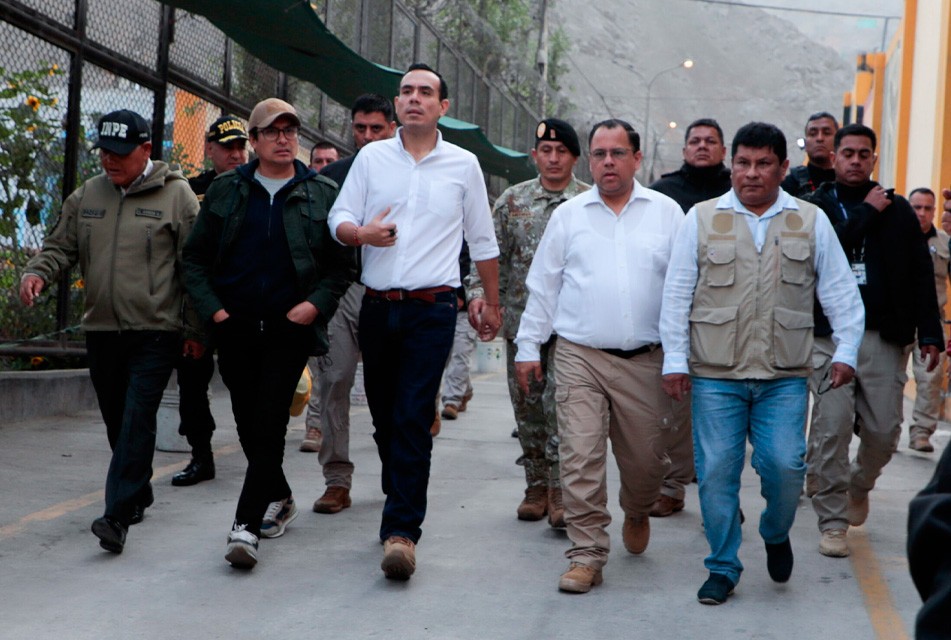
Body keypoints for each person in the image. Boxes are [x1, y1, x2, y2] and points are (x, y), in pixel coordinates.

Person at [660, 122, 864, 605]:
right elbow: (676, 294)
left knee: (786, 467)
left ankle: (775, 531)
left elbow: (841, 293)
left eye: (763, 164)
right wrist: (675, 359)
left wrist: (846, 351)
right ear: (732, 165)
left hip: (783, 376)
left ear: (782, 167)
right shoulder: (701, 219)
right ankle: (723, 566)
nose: (751, 173)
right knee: (716, 473)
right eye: (743, 163)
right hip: (715, 374)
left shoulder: (810, 220)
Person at [328, 63, 501, 581]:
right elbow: (338, 219)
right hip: (378, 306)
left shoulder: (464, 165)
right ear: (397, 102)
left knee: (411, 416)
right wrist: (362, 234)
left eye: (425, 92)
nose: (414, 99)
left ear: (442, 107)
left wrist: (491, 304)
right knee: (384, 417)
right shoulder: (371, 158)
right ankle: (398, 489)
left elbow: (483, 242)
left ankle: (402, 532)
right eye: (406, 91)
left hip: (434, 308)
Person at [515, 118, 688, 593]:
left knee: (647, 464)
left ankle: (638, 508)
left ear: (637, 159)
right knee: (579, 457)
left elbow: (681, 291)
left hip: (647, 361)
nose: (608, 162)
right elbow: (543, 287)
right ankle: (587, 554)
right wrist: (528, 347)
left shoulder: (668, 214)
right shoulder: (568, 216)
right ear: (589, 161)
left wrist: (679, 358)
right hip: (580, 356)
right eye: (599, 154)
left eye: (617, 153)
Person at [183, 98, 354, 569]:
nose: (283, 139)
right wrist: (217, 313)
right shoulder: (226, 191)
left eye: (290, 131)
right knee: (248, 424)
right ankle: (279, 494)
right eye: (272, 132)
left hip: (288, 330)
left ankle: (244, 526)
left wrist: (313, 306)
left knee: (271, 422)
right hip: (234, 327)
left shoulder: (320, 193)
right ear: (254, 141)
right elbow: (195, 259)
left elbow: (342, 267)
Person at [20, 109, 200, 553]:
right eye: (104, 151)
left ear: (146, 150)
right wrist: (37, 272)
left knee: (137, 419)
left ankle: (116, 517)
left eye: (120, 152)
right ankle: (138, 490)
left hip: (155, 331)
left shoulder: (177, 197)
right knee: (118, 421)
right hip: (102, 330)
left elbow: (195, 268)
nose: (109, 160)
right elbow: (59, 247)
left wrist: (196, 330)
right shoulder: (88, 195)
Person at [804, 123, 943, 559]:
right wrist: (866, 211)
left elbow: (921, 272)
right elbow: (821, 252)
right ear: (834, 157)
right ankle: (832, 522)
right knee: (831, 429)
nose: (855, 161)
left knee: (884, 433)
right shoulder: (816, 206)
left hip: (883, 336)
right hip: (828, 337)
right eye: (848, 153)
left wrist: (931, 332)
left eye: (864, 154)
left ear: (873, 159)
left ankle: (858, 485)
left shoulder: (898, 210)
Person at [468, 118, 589, 528]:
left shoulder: (587, 203)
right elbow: (490, 256)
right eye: (546, 151)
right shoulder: (512, 201)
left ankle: (559, 489)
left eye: (562, 151)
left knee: (563, 410)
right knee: (528, 409)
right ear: (535, 156)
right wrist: (481, 298)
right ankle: (535, 486)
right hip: (523, 327)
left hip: (572, 329)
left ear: (575, 158)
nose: (553, 158)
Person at [304, 94, 397, 518]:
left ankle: (396, 470)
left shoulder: (408, 175)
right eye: (360, 128)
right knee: (335, 379)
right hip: (340, 291)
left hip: (389, 293)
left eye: (377, 128)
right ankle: (336, 480)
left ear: (392, 128)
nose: (368, 136)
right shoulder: (332, 177)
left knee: (387, 387)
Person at [648, 117, 732, 518]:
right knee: (675, 406)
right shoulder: (663, 195)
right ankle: (671, 485)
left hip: (727, 316)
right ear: (684, 150)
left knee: (723, 412)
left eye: (710, 141)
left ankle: (722, 497)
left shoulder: (738, 194)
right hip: (674, 314)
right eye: (695, 141)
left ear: (723, 151)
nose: (702, 146)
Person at [172, 115, 250, 488]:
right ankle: (200, 455)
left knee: (245, 383)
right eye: (227, 147)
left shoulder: (256, 186)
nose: (235, 154)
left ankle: (258, 456)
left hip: (241, 302)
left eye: (240, 147)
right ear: (209, 149)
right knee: (191, 381)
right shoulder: (191, 190)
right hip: (199, 303)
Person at [907, 187, 949, 453]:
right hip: (898, 319)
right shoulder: (895, 236)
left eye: (927, 208)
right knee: (888, 377)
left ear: (934, 211)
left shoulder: (944, 243)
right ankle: (885, 429)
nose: (922, 213)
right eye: (916, 207)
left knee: (931, 376)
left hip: (933, 320)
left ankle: (921, 432)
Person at [439, 242, 477, 424]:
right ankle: (465, 389)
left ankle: (452, 400)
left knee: (460, 352)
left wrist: (463, 295)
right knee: (445, 356)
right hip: (442, 302)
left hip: (468, 306)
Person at [781, 111, 839, 197]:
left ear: (838, 142)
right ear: (805, 143)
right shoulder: (788, 186)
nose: (819, 138)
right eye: (813, 134)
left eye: (826, 133)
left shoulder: (849, 183)